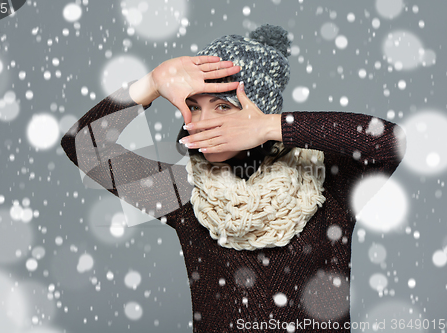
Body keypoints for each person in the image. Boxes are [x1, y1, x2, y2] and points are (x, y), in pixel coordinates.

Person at [61, 24, 406, 332]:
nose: (200, 121)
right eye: (193, 106)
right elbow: (83, 144)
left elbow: (389, 142)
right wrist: (150, 84)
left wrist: (271, 126)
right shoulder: (185, 194)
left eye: (223, 106)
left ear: (257, 110)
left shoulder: (329, 184)